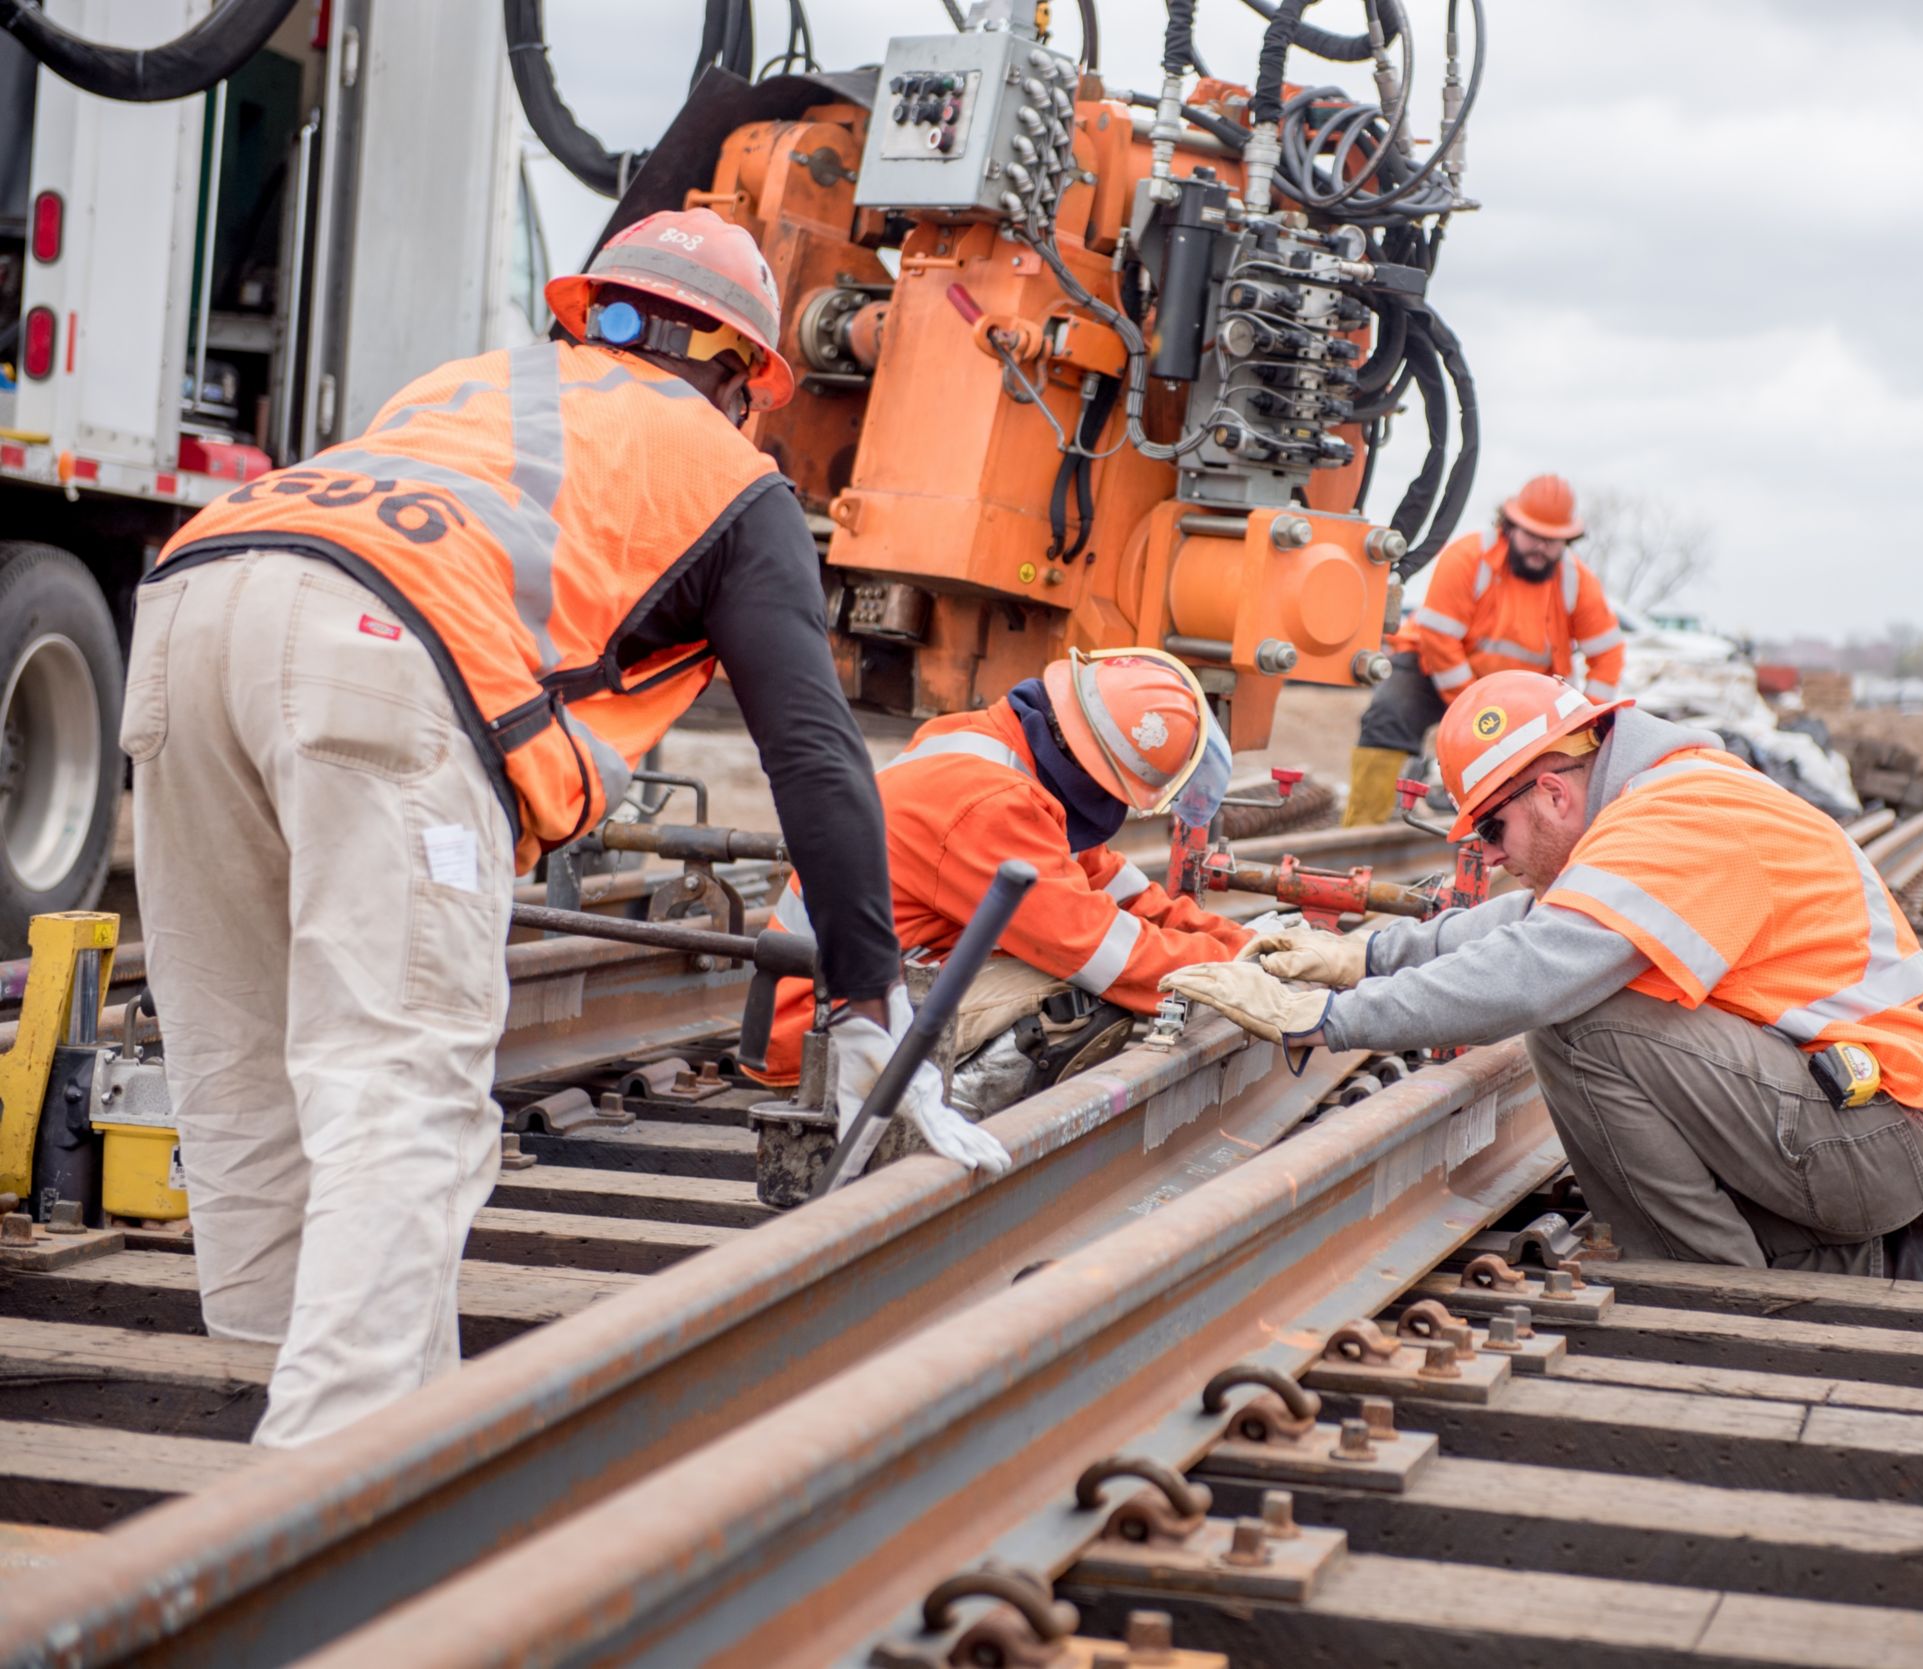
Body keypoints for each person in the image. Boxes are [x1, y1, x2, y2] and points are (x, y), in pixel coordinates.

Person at [122, 209, 918, 1448]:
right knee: (402, 1084)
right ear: (742, 378)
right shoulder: (730, 476)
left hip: (187, 606)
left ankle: (327, 1398)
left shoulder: (467, 384)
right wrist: (867, 995)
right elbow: (814, 754)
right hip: (389, 660)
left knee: (249, 1051)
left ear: (586, 312)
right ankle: (320, 1500)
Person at [1166, 670, 1923, 1281]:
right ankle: (1880, 1260)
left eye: (1492, 827)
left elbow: (1535, 970)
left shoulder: (1674, 819)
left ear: (1555, 793)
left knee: (1579, 1020)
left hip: (1879, 1135)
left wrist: (1324, 1017)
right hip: (1873, 1118)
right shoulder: (1660, 797)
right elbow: (1539, 925)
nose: (1487, 856)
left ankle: (1705, 1290)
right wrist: (1366, 955)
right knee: (1589, 992)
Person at [749, 648, 1250, 1101]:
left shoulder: (1000, 747)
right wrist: (1246, 984)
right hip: (820, 1032)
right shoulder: (990, 805)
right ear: (1099, 774)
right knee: (1076, 1002)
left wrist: (1251, 950)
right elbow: (1112, 955)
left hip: (835, 996)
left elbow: (1124, 896)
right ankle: (909, 1129)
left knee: (1078, 969)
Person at [1342, 473, 1627, 826]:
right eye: (1533, 535)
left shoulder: (1577, 582)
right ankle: (1363, 828)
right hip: (1435, 670)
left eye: (1552, 540)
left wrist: (1587, 727)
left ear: (1568, 540)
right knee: (1390, 713)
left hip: (1521, 695)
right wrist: (1472, 710)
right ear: (1509, 526)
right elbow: (1439, 639)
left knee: (1545, 759)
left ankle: (1516, 830)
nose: (1540, 547)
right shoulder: (1467, 558)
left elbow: (1608, 654)